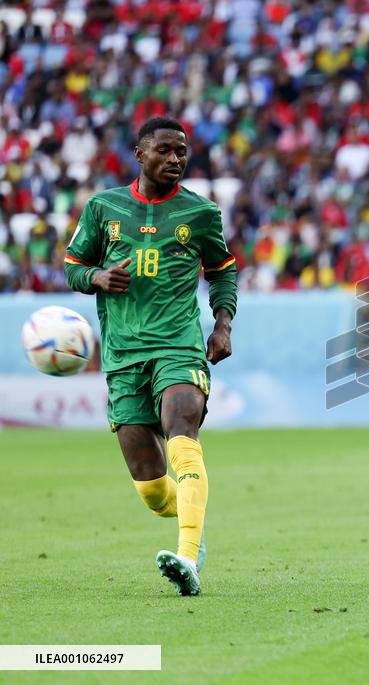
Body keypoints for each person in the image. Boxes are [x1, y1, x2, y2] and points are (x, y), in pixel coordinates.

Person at [64, 117, 237, 596]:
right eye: (165, 150)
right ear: (140, 155)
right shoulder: (104, 207)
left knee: (182, 425)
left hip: (178, 345)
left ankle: (187, 557)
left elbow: (223, 271)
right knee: (154, 492)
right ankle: (192, 525)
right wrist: (97, 277)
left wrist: (222, 324)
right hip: (122, 355)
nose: (176, 159)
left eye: (182, 151)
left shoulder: (201, 213)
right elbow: (73, 265)